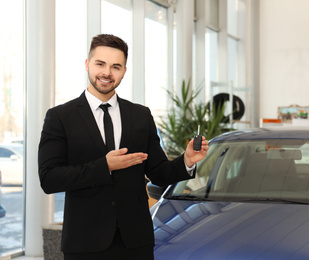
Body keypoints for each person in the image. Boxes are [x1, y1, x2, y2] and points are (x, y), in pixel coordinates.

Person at [38, 34, 209, 260]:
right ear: (88, 64)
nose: (107, 73)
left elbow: (158, 172)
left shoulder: (140, 115)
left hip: (136, 243)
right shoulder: (61, 117)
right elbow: (49, 179)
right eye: (100, 64)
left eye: (115, 66)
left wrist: (186, 161)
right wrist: (104, 166)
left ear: (124, 71)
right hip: (85, 242)